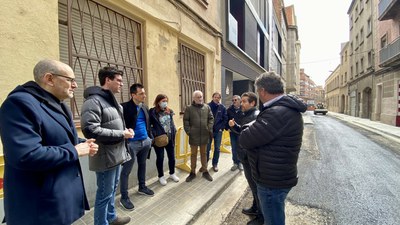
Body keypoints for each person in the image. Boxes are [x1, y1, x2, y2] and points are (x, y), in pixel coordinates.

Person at [0, 59, 98, 225]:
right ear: (49, 79)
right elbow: (26, 155)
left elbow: (62, 138)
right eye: (70, 80)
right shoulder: (19, 104)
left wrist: (84, 143)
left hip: (59, 202)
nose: (75, 85)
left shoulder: (58, 104)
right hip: (38, 207)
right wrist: (74, 151)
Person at [239, 72, 307, 225]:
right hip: (277, 176)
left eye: (258, 92)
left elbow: (245, 139)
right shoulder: (283, 108)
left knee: (273, 221)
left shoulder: (277, 112)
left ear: (262, 91)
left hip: (272, 181)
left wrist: (246, 128)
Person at [80, 66, 133, 225]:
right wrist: (121, 134)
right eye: (118, 80)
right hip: (104, 158)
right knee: (103, 194)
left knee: (111, 191)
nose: (121, 84)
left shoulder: (110, 100)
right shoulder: (93, 101)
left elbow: (112, 125)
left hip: (116, 155)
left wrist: (125, 130)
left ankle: (112, 218)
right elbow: (90, 130)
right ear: (107, 80)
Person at [229, 92, 263, 225]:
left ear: (253, 103)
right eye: (241, 101)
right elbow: (244, 132)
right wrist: (235, 126)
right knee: (252, 186)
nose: (241, 103)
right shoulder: (247, 115)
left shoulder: (254, 116)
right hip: (246, 157)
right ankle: (255, 208)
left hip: (250, 158)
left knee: (255, 187)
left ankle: (260, 217)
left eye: (244, 101)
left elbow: (250, 139)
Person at [119, 83, 154, 211]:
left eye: (144, 93)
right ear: (133, 95)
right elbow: (119, 125)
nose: (144, 95)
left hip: (145, 142)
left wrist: (150, 138)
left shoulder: (144, 107)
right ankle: (124, 197)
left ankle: (142, 187)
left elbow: (148, 123)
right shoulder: (123, 107)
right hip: (131, 144)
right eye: (141, 94)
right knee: (126, 171)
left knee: (142, 165)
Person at [183, 90, 214, 182]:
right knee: (193, 154)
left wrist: (208, 128)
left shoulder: (207, 107)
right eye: (198, 97)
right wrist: (189, 131)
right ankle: (192, 172)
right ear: (194, 98)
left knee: (204, 154)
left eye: (201, 96)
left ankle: (205, 171)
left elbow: (211, 118)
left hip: (205, 135)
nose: (200, 98)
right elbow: (186, 121)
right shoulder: (189, 108)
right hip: (194, 135)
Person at [149, 94, 179, 185]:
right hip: (159, 139)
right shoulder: (153, 112)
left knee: (172, 157)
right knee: (160, 158)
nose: (165, 103)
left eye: (166, 101)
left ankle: (172, 173)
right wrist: (154, 135)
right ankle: (161, 176)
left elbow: (171, 123)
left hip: (170, 138)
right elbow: (149, 126)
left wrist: (174, 130)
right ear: (158, 102)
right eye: (163, 101)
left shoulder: (169, 111)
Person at [206, 92, 228, 172]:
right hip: (209, 131)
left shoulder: (222, 107)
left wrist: (221, 128)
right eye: (215, 97)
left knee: (217, 148)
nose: (217, 98)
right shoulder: (207, 106)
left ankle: (215, 164)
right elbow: (204, 118)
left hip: (218, 131)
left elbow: (225, 118)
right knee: (207, 148)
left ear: (220, 99)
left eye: (218, 97)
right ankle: (205, 164)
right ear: (212, 97)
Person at [226, 94, 243, 171]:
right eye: (232, 100)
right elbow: (226, 119)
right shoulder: (229, 110)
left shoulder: (244, 109)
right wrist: (227, 128)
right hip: (232, 132)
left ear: (240, 100)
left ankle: (240, 163)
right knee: (234, 147)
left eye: (235, 100)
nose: (234, 101)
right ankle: (235, 163)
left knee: (240, 147)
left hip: (241, 132)